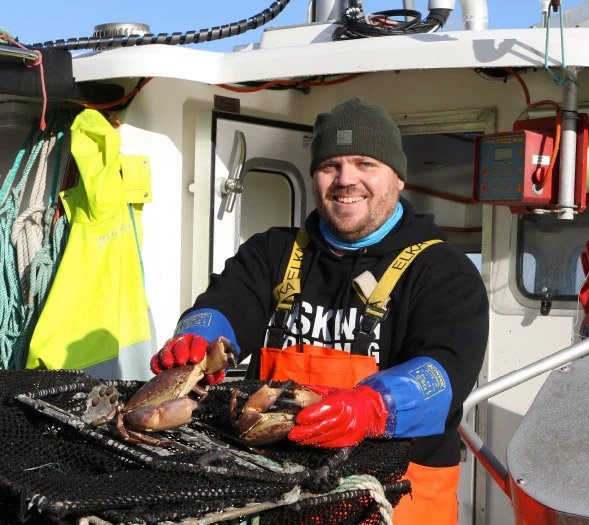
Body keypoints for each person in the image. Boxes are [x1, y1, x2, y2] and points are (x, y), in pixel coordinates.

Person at [151, 97, 489, 524]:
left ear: (398, 178)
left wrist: (372, 408)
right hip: (279, 491)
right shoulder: (273, 251)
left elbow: (445, 370)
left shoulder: (443, 271)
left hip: (399, 499)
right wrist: (198, 337)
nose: (346, 179)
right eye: (331, 166)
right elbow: (223, 305)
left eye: (365, 163)